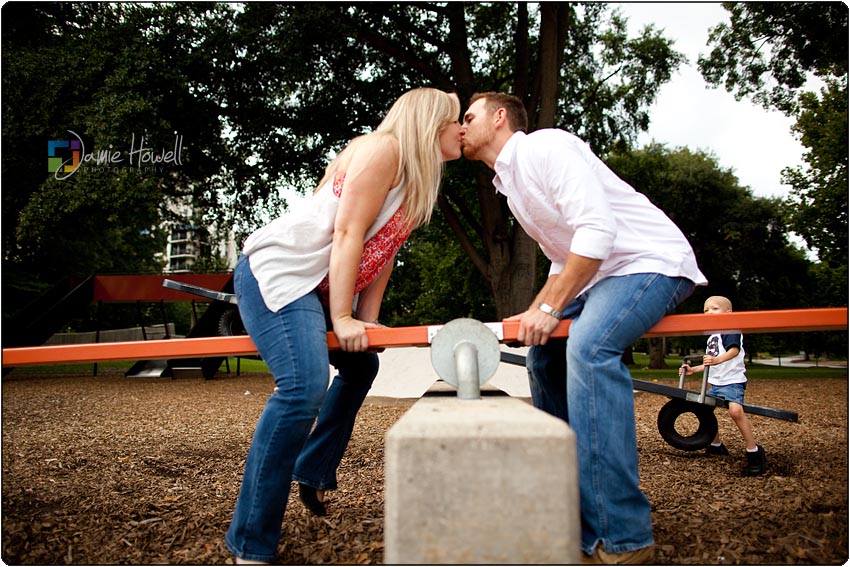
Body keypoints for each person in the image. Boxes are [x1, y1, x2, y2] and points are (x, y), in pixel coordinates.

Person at [460, 92, 707, 564]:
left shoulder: (545, 147)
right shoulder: (509, 186)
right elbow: (561, 255)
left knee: (590, 349)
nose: (461, 126)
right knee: (544, 356)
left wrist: (549, 309)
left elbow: (596, 230)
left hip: (650, 262)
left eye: (468, 117)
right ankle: (572, 517)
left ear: (498, 118)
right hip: (602, 276)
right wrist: (535, 310)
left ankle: (625, 537)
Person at [225, 87, 463, 564]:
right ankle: (250, 541)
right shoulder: (382, 150)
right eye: (456, 119)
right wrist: (342, 316)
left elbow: (384, 252)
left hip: (316, 287)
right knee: (302, 387)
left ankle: (311, 470)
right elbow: (348, 233)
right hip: (281, 274)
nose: (462, 129)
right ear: (430, 122)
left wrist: (368, 322)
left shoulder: (417, 180)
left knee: (361, 367)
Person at [681, 295, 766, 476]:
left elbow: (733, 351)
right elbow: (710, 361)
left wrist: (718, 359)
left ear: (728, 313)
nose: (708, 312)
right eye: (705, 310)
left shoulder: (730, 328)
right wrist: (694, 369)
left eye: (714, 308)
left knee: (735, 411)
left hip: (732, 381)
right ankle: (716, 445)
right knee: (705, 411)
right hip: (717, 382)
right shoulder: (712, 336)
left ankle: (754, 451)